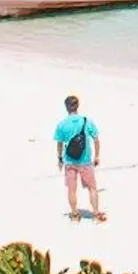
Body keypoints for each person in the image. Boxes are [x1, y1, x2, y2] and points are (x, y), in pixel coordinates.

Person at [53, 92, 105, 221]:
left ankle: (75, 215)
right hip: (85, 161)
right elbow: (96, 139)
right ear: (77, 106)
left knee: (71, 189)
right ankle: (96, 214)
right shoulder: (86, 121)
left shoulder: (62, 124)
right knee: (92, 188)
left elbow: (59, 144)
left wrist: (59, 158)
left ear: (66, 107)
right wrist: (97, 156)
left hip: (70, 161)